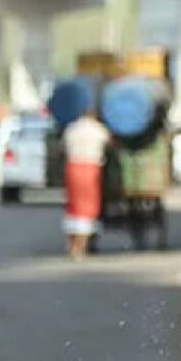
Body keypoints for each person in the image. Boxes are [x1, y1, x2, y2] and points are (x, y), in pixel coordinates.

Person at [63, 110, 111, 261]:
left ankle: (72, 244)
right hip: (91, 169)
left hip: (73, 168)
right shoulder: (99, 130)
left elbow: (63, 147)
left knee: (74, 206)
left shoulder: (71, 129)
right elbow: (109, 145)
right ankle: (80, 246)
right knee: (88, 208)